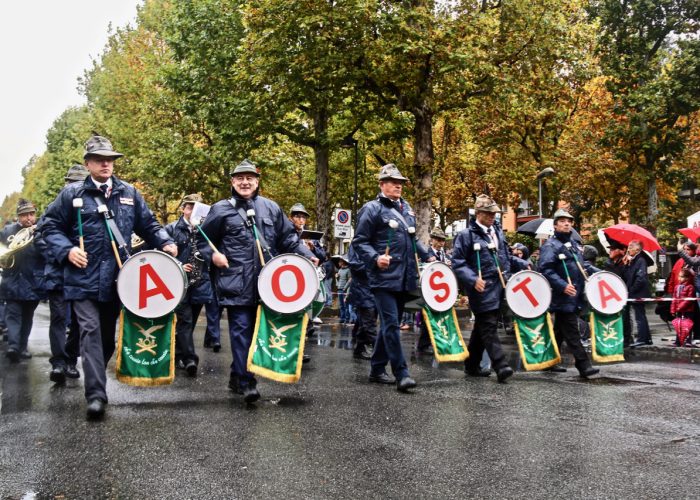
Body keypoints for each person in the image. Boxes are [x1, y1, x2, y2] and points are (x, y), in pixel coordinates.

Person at [42, 135, 177, 419]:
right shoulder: (72, 195)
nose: (106, 164)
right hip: (82, 278)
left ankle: (95, 377)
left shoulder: (129, 193)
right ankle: (96, 395)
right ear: (88, 163)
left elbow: (149, 223)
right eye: (100, 159)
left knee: (107, 339)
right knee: (89, 332)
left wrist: (165, 241)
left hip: (118, 280)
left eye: (110, 160)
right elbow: (49, 227)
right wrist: (67, 251)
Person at [197, 159, 317, 403]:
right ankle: (246, 381)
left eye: (249, 178)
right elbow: (202, 240)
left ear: (257, 181)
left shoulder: (271, 208)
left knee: (254, 333)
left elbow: (288, 240)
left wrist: (308, 256)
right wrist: (214, 256)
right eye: (240, 178)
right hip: (236, 282)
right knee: (241, 330)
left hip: (266, 285)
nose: (245, 182)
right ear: (232, 182)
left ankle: (236, 374)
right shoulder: (220, 209)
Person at [352, 163, 431, 392]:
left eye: (401, 183)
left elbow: (413, 239)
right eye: (393, 182)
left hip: (404, 277)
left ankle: (377, 369)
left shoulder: (407, 210)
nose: (398, 185)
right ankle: (402, 373)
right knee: (392, 325)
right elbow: (360, 242)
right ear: (382, 184)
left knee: (390, 324)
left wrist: (431, 255)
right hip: (383, 277)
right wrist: (376, 258)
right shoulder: (372, 209)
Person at [34, 165, 89, 383]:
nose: (74, 185)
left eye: (78, 182)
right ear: (65, 183)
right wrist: (62, 254)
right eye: (71, 181)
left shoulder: (90, 207)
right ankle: (58, 362)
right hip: (58, 272)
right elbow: (40, 237)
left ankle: (70, 361)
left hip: (81, 274)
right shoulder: (54, 206)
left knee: (78, 321)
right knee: (58, 318)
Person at [452, 195, 514, 382]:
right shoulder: (466, 235)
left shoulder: (497, 232)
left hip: (500, 286)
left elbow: (505, 256)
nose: (492, 216)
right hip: (482, 288)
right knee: (488, 325)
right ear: (478, 213)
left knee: (483, 327)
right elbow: (458, 262)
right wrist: (472, 279)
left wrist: (520, 265)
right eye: (488, 213)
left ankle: (471, 365)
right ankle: (501, 365)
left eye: (494, 213)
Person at [538, 208, 599, 378]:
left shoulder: (572, 244)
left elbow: (582, 266)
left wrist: (600, 274)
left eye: (569, 221)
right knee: (572, 332)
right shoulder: (551, 245)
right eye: (563, 221)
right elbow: (545, 269)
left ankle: (548, 361)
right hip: (562, 296)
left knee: (559, 330)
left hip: (574, 295)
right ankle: (584, 365)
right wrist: (562, 285)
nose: (567, 224)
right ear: (555, 225)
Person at [165, 194, 214, 377]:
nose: (192, 211)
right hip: (180, 282)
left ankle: (179, 354)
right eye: (189, 207)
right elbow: (162, 253)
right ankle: (190, 359)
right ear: (183, 209)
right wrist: (179, 263)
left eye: (197, 208)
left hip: (200, 281)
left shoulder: (205, 229)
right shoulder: (171, 228)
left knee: (190, 322)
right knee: (184, 320)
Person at [1, 199, 45, 363]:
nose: (28, 218)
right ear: (18, 217)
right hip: (12, 280)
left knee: (27, 317)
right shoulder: (8, 231)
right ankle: (13, 346)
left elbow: (45, 254)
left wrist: (39, 239)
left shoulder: (40, 231)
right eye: (24, 215)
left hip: (33, 281)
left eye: (31, 214)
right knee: (13, 315)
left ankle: (23, 346)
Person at [416, 227, 451, 353]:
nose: (442, 243)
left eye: (443, 240)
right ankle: (423, 345)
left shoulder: (445, 254)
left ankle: (439, 343)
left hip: (441, 292)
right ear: (432, 240)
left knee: (441, 318)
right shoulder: (426, 253)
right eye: (439, 240)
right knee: (428, 319)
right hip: (429, 290)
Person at [346, 244, 377, 360]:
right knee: (369, 323)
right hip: (362, 289)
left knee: (364, 322)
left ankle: (359, 349)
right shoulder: (356, 244)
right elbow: (355, 265)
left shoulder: (376, 241)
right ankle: (381, 351)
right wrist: (375, 264)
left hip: (373, 288)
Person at [624, 240, 652, 347]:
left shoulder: (640, 260)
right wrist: (627, 265)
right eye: (628, 247)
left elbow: (641, 278)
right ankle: (647, 338)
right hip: (635, 292)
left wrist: (631, 290)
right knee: (640, 315)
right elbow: (628, 276)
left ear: (637, 249)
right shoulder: (633, 261)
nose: (628, 249)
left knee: (639, 316)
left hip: (638, 293)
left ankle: (642, 338)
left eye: (631, 247)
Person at [670, 268, 696, 346]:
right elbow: (674, 299)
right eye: (679, 276)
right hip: (679, 310)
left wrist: (679, 307)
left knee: (688, 326)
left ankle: (688, 341)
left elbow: (688, 300)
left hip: (688, 310)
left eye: (681, 276)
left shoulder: (690, 287)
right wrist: (673, 309)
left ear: (687, 278)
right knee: (679, 326)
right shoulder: (676, 287)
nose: (679, 278)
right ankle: (678, 341)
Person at [336, 256, 351, 324]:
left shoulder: (348, 270)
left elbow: (350, 280)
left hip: (344, 289)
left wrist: (345, 288)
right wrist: (336, 277)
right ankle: (342, 318)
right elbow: (338, 281)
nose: (339, 263)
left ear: (343, 262)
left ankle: (347, 319)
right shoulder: (339, 270)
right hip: (339, 289)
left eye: (340, 261)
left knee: (346, 305)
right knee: (341, 305)